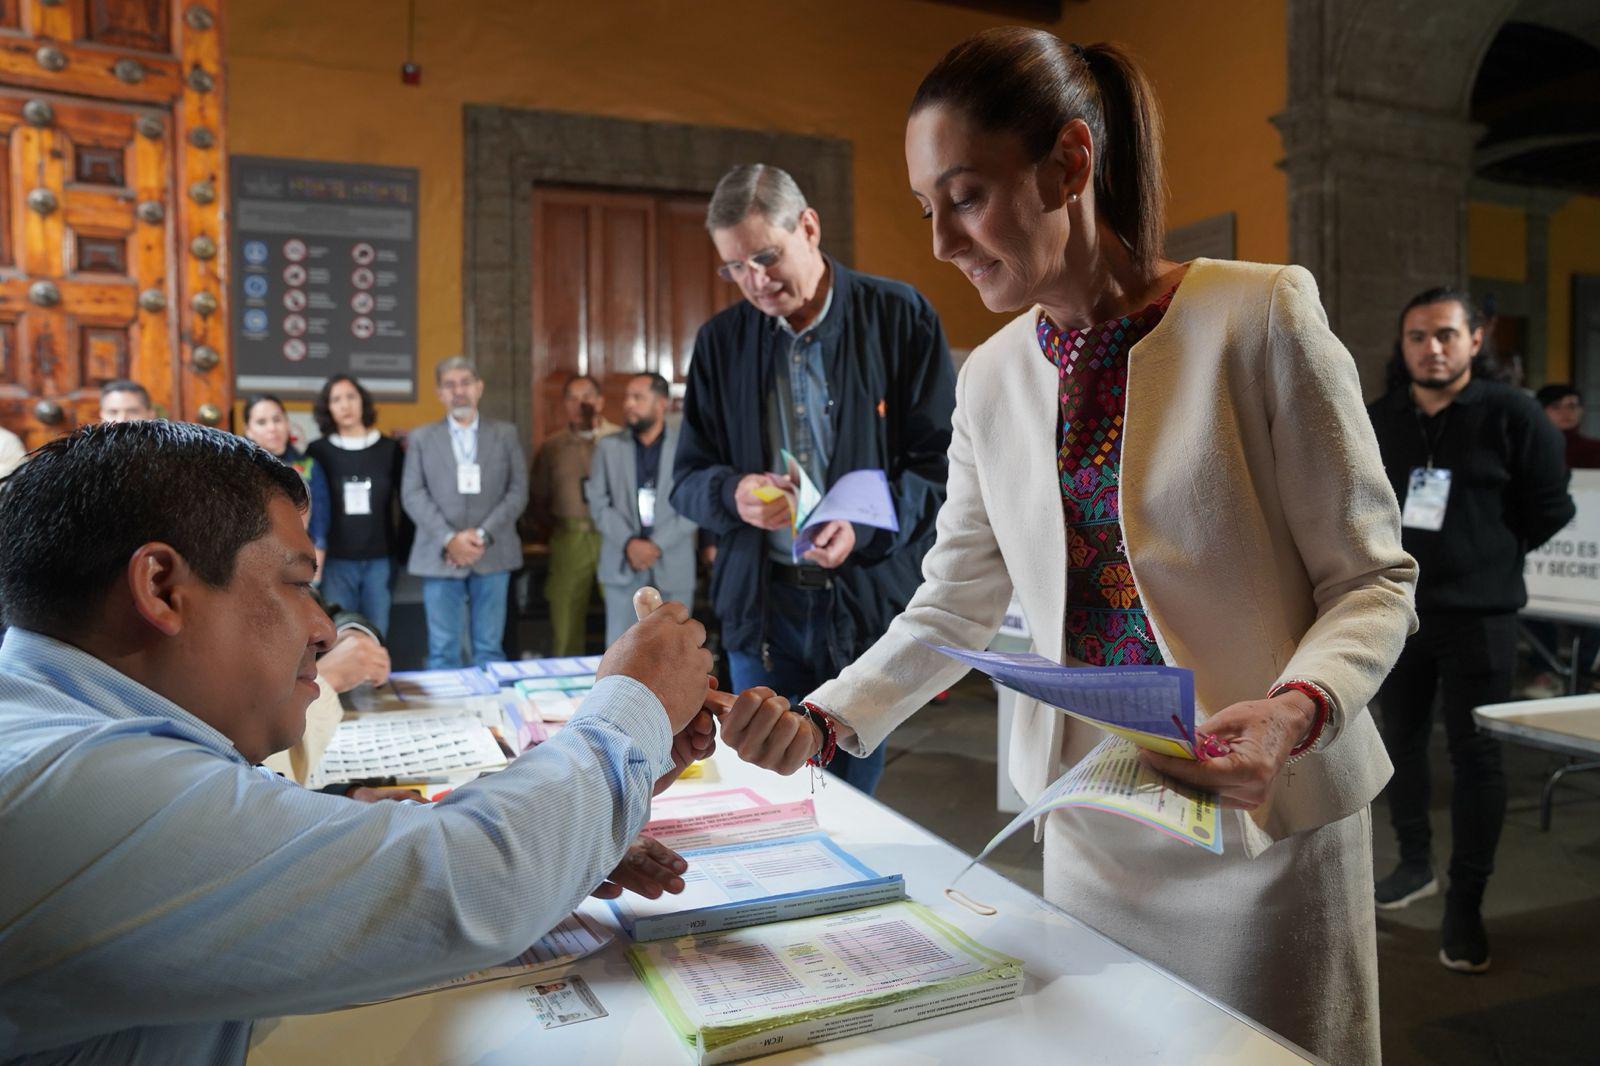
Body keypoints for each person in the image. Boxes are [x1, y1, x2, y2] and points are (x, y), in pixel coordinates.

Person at [714, 29, 1417, 1063]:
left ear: (1070, 163)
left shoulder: (1258, 316)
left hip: (1262, 815)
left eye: (965, 197)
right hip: (1095, 816)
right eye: (927, 209)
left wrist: (1294, 710)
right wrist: (824, 719)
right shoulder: (993, 377)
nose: (943, 242)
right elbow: (951, 603)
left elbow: (1371, 580)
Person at [0, 420, 717, 1064]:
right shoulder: (69, 786)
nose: (321, 628)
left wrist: (570, 828)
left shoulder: (61, 729)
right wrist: (632, 706)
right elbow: (467, 880)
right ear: (161, 588)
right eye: (295, 584)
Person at [670, 163, 956, 796]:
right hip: (763, 611)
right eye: (734, 268)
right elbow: (686, 479)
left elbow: (942, 469)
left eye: (765, 257)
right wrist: (732, 494)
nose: (755, 281)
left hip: (864, 601)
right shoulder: (720, 342)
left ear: (809, 227)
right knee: (766, 793)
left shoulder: (899, 316)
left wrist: (861, 525)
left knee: (852, 798)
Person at [1368, 287, 1574, 973]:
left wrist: (1491, 553)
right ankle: (1414, 863)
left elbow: (1552, 506)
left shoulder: (1514, 414)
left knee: (1476, 757)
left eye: (1446, 335)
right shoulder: (1381, 417)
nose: (1432, 348)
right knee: (1399, 742)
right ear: (1402, 346)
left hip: (1482, 616)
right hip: (1397, 611)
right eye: (1418, 336)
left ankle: (1466, 902)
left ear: (1475, 340)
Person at [402, 357, 529, 668]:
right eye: (450, 385)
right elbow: (412, 494)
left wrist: (482, 535)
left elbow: (518, 491)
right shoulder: (421, 438)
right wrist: (450, 539)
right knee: (443, 650)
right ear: (439, 394)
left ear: (479, 387)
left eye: (465, 383)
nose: (458, 391)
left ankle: (491, 702)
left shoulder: (506, 434)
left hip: (493, 552)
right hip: (440, 553)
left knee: (490, 649)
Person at [590, 373, 698, 646]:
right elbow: (598, 503)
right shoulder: (608, 447)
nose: (628, 404)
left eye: (638, 397)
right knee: (622, 652)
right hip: (623, 563)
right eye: (627, 397)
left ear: (662, 403)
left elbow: (694, 504)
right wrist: (630, 543)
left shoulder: (686, 448)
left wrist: (656, 545)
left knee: (675, 652)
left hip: (672, 562)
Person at [306, 375, 403, 638]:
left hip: (380, 559)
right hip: (336, 560)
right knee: (340, 635)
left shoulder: (389, 449)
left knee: (377, 634)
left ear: (363, 402)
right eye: (336, 399)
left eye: (351, 397)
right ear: (327, 408)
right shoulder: (318, 451)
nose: (345, 405)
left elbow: (403, 504)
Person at [529, 374, 620, 654]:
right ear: (565, 405)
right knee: (565, 620)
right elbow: (538, 497)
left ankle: (626, 677)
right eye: (573, 398)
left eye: (587, 397)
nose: (581, 404)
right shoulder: (553, 447)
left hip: (615, 538)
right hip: (570, 538)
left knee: (624, 620)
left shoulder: (621, 440)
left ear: (600, 401)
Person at [241, 394, 331, 573]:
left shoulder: (309, 466)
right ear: (248, 430)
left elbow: (320, 521)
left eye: (277, 419)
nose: (272, 428)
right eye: (261, 422)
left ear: (287, 423)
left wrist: (316, 569)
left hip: (297, 560)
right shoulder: (240, 469)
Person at [1535, 383, 1600, 469]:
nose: (1566, 412)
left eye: (1572, 407)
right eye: (1556, 407)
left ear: (1581, 411)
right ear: (1540, 411)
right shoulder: (1530, 449)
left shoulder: (1595, 450)